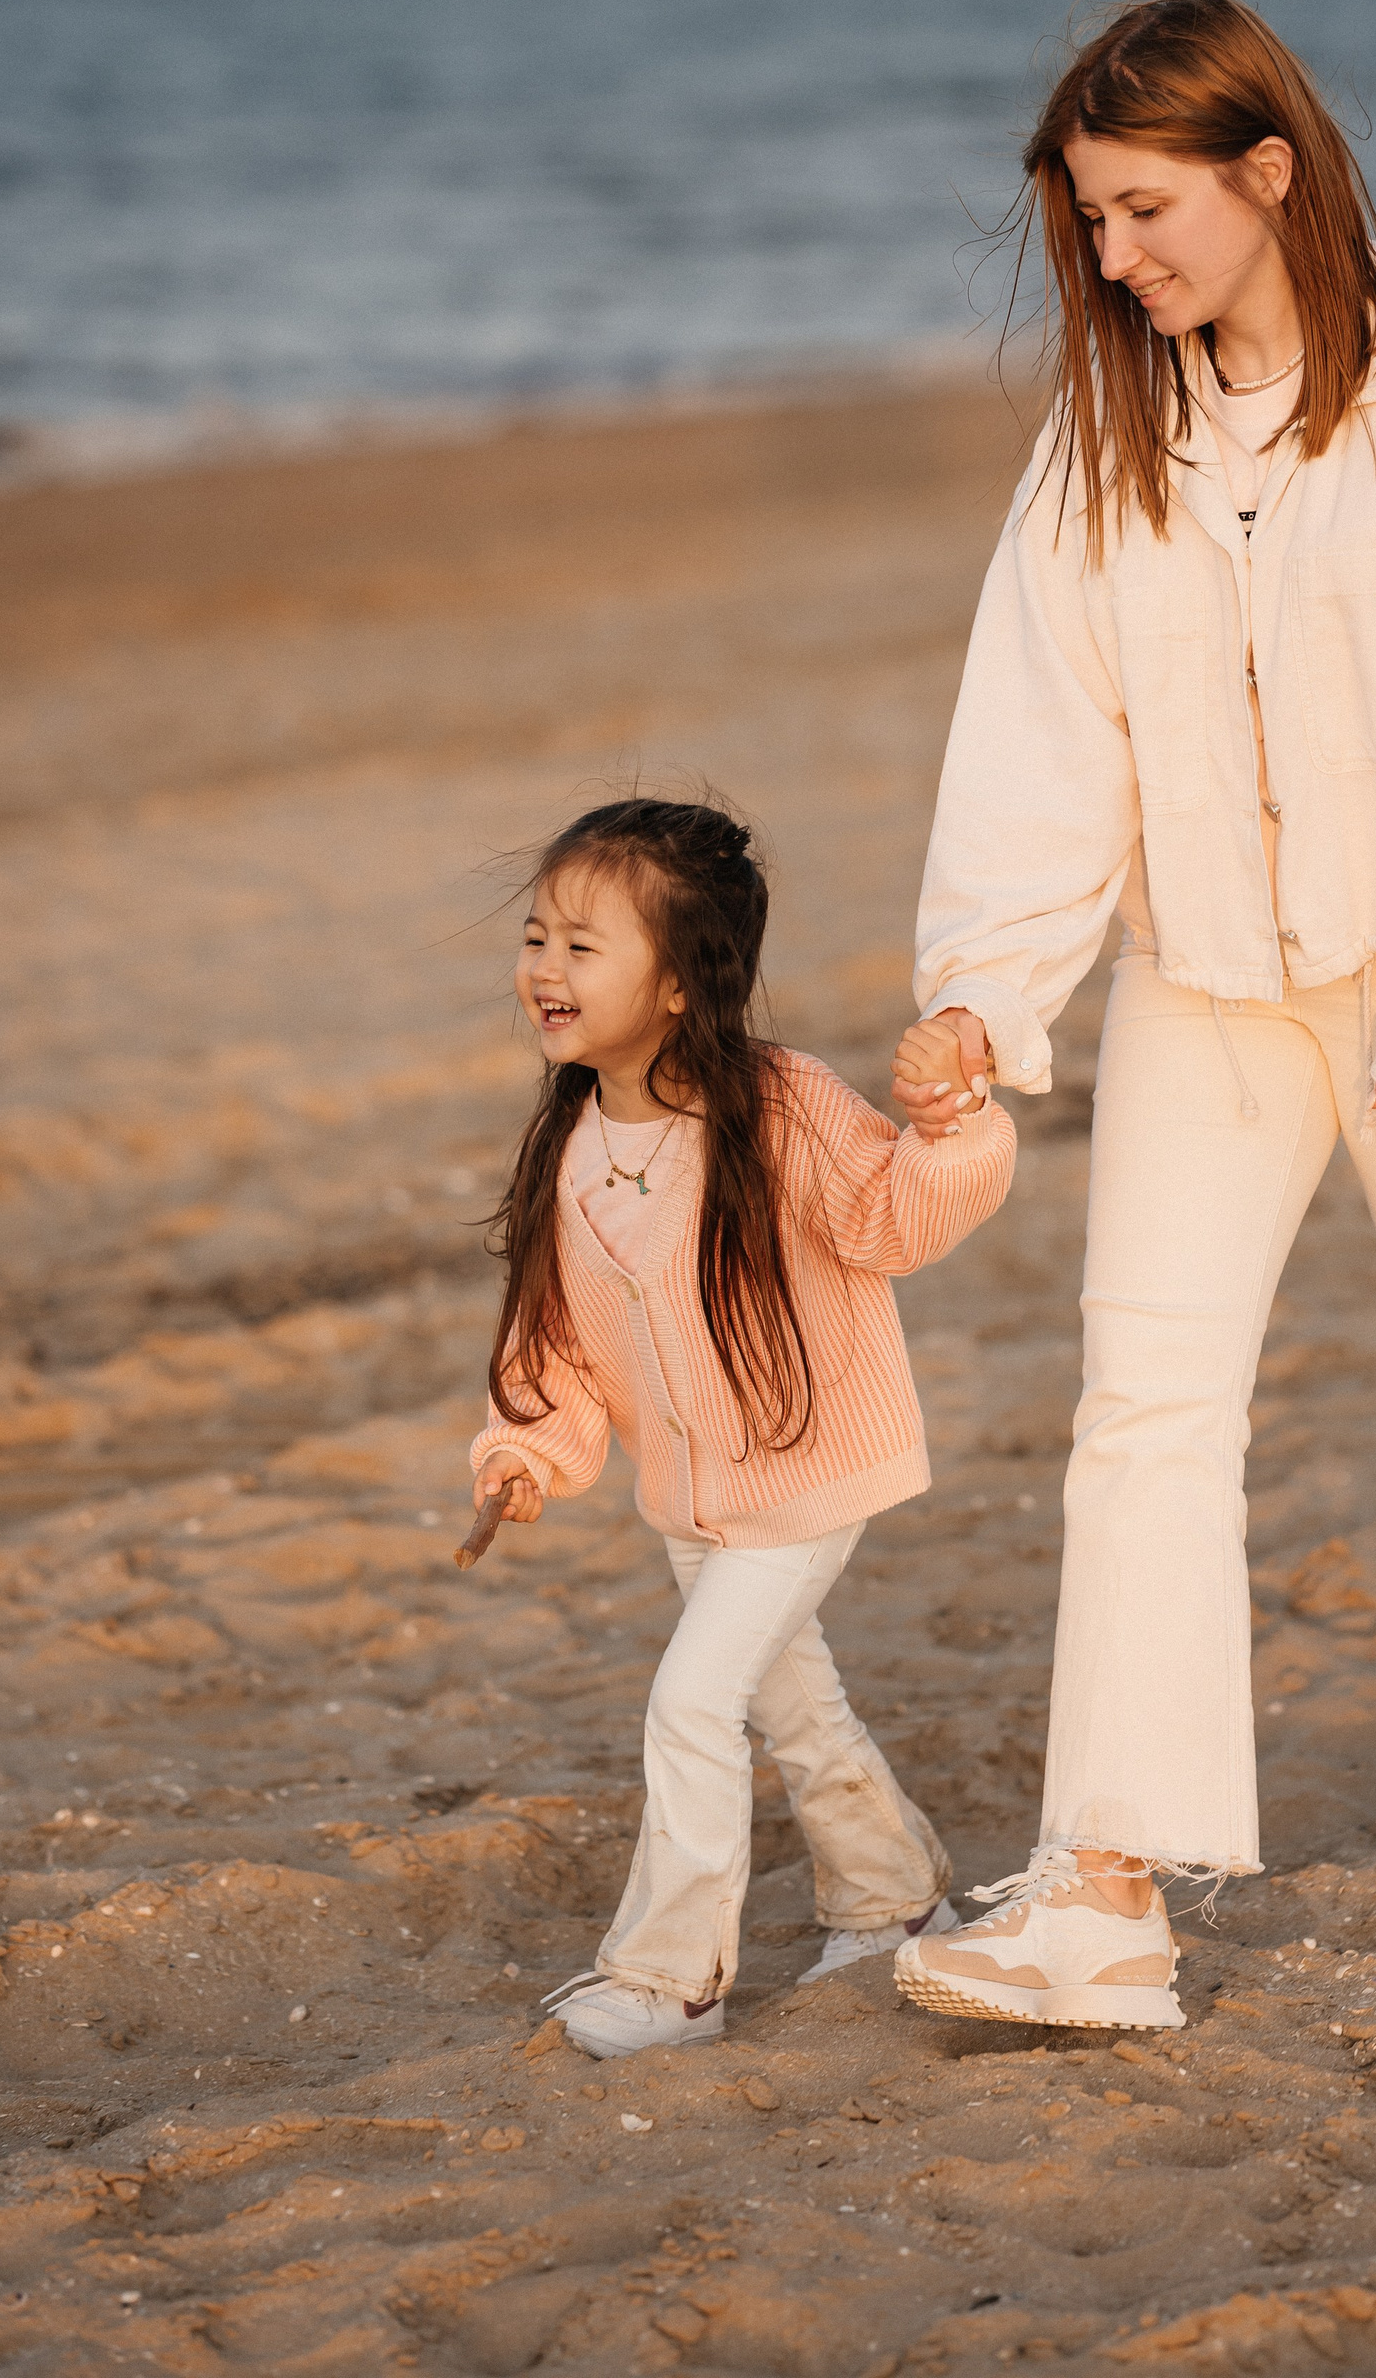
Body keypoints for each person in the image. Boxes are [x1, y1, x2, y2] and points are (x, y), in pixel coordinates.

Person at [891, 0, 1376, 2038]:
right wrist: (986, 985)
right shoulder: (1109, 438)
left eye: (1143, 210)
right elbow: (1047, 729)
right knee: (1144, 1408)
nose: (1113, 257)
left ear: (1269, 169)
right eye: (1089, 221)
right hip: (1209, 988)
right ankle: (1103, 1893)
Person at [467, 795, 1015, 2058]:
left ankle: (671, 1983)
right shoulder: (569, 1144)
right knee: (796, 1711)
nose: (546, 968)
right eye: (537, 938)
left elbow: (890, 1220)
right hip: (692, 1497)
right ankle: (894, 1898)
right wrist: (524, 1451)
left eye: (583, 945)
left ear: (678, 982)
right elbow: (550, 1341)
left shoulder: (780, 1103)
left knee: (690, 1704)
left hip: (806, 1472)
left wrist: (950, 1130)